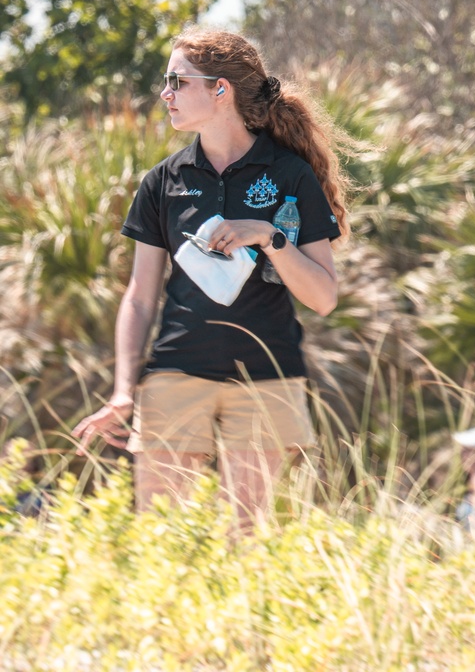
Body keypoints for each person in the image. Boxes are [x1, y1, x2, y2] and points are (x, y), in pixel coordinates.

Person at [71, 28, 350, 528]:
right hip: (175, 373)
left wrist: (269, 236)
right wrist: (122, 389)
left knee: (248, 539)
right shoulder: (162, 180)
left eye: (177, 81)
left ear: (220, 90)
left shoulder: (290, 176)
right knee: (162, 539)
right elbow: (139, 296)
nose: (166, 94)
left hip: (267, 376)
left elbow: (323, 298)